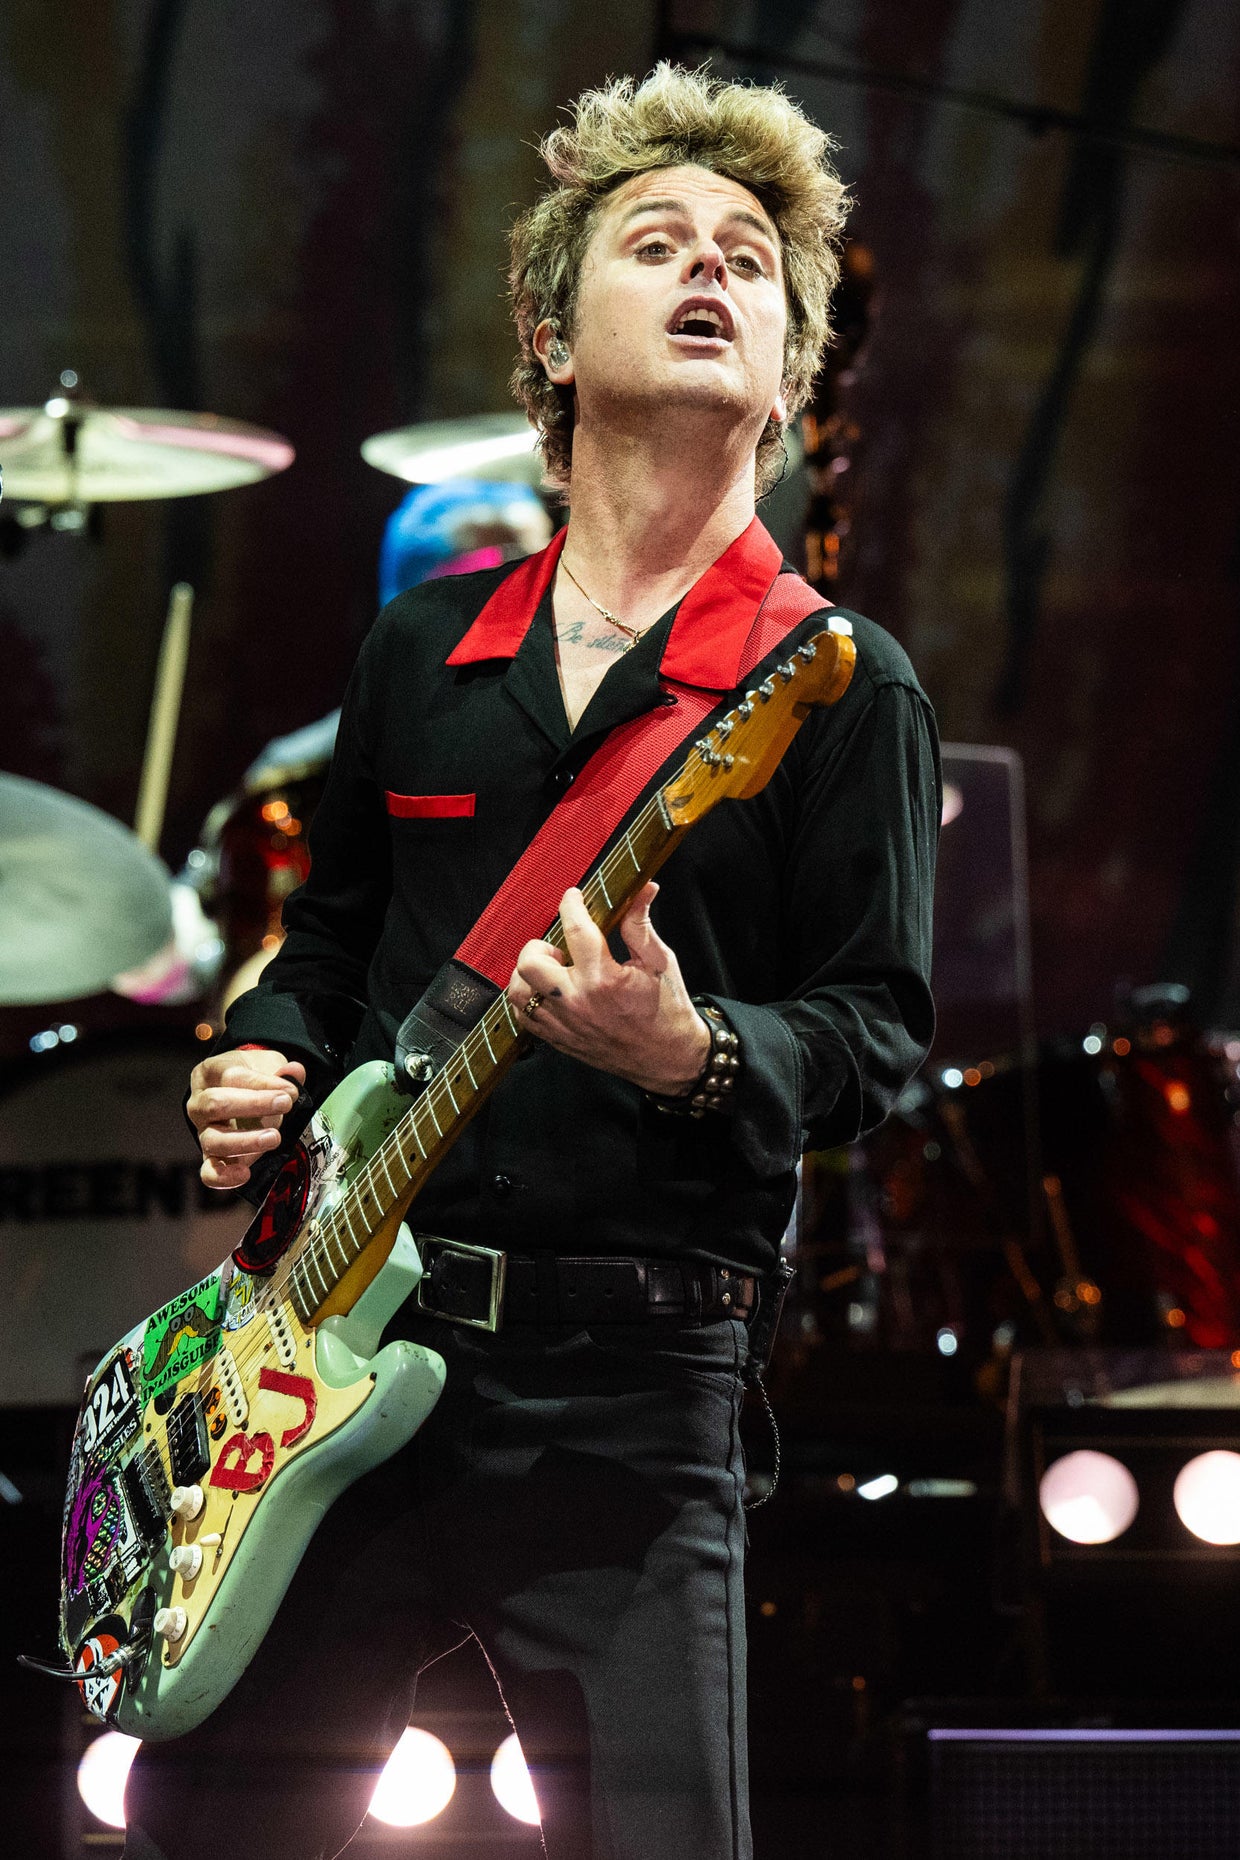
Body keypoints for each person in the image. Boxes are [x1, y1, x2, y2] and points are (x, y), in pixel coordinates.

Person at [125, 63, 939, 1860]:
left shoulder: (841, 681)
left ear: (787, 374)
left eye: (749, 258)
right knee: (201, 1825)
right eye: (658, 242)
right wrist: (265, 1053)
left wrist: (690, 1051)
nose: (712, 266)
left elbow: (877, 1037)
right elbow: (327, 945)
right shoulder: (421, 651)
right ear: (554, 343)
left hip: (634, 1408)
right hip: (345, 1362)